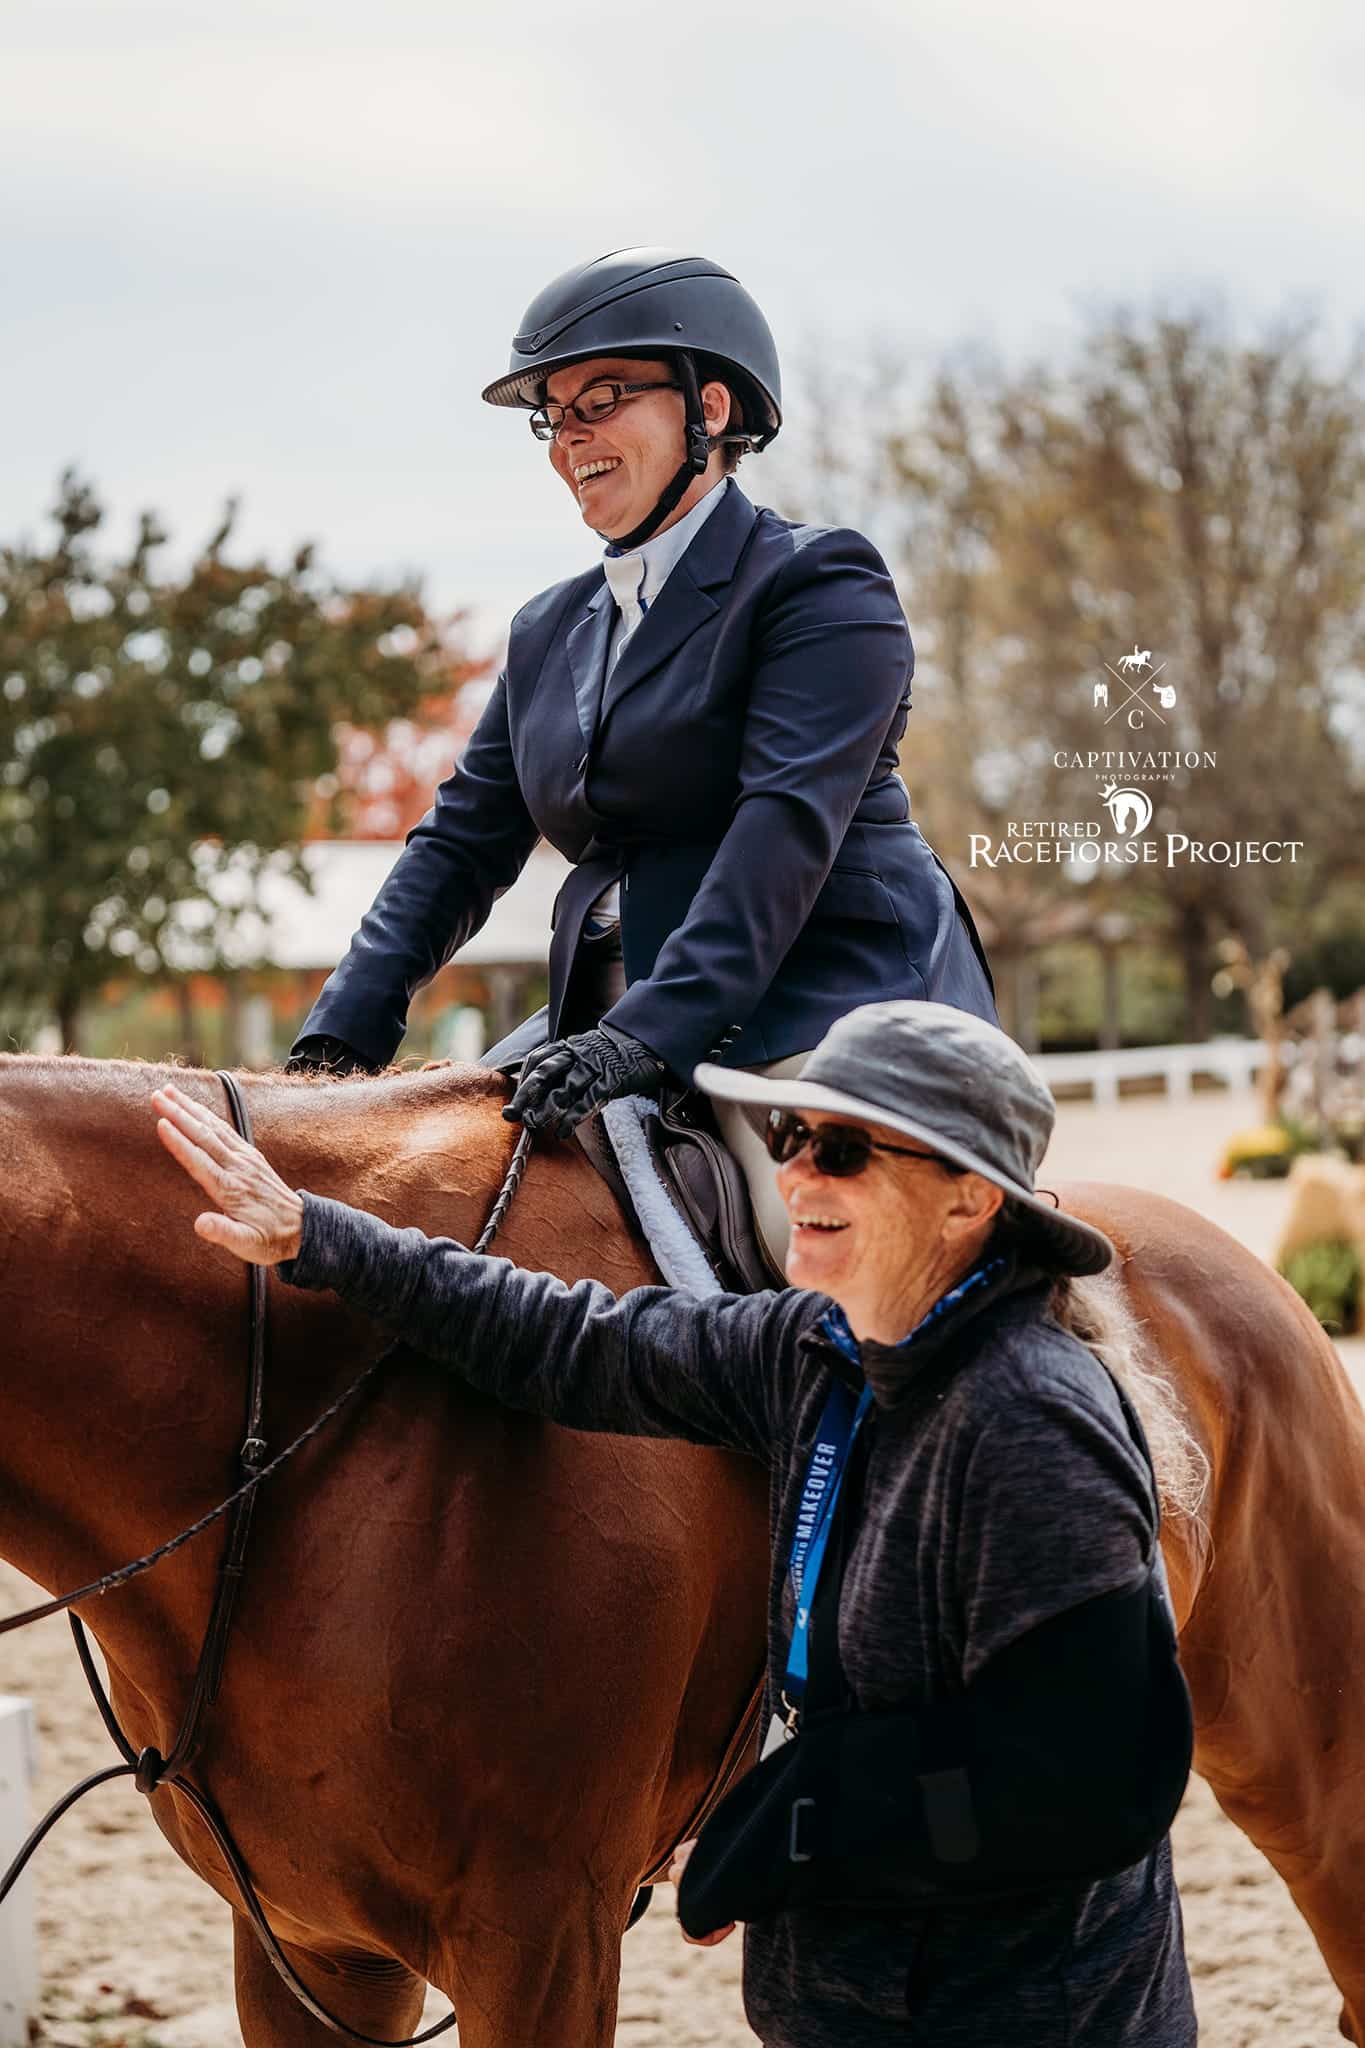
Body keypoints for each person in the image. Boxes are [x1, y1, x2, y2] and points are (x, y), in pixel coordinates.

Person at [153, 1000, 1198, 2047]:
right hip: (859, 2002)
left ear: (970, 1197)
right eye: (789, 1138)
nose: (796, 1177)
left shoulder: (1031, 1420)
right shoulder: (814, 1349)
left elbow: (1101, 1778)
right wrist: (320, 1234)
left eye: (840, 1148)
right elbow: (571, 1337)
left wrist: (800, 1828)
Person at [287, 246, 996, 1267]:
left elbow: (782, 833)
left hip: (819, 1004)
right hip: (612, 1010)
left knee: (828, 1261)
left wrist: (643, 1038)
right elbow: (457, 846)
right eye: (553, 414)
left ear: (708, 408)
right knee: (429, 1187)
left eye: (602, 399)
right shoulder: (548, 631)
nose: (569, 437)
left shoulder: (820, 587)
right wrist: (335, 1049)